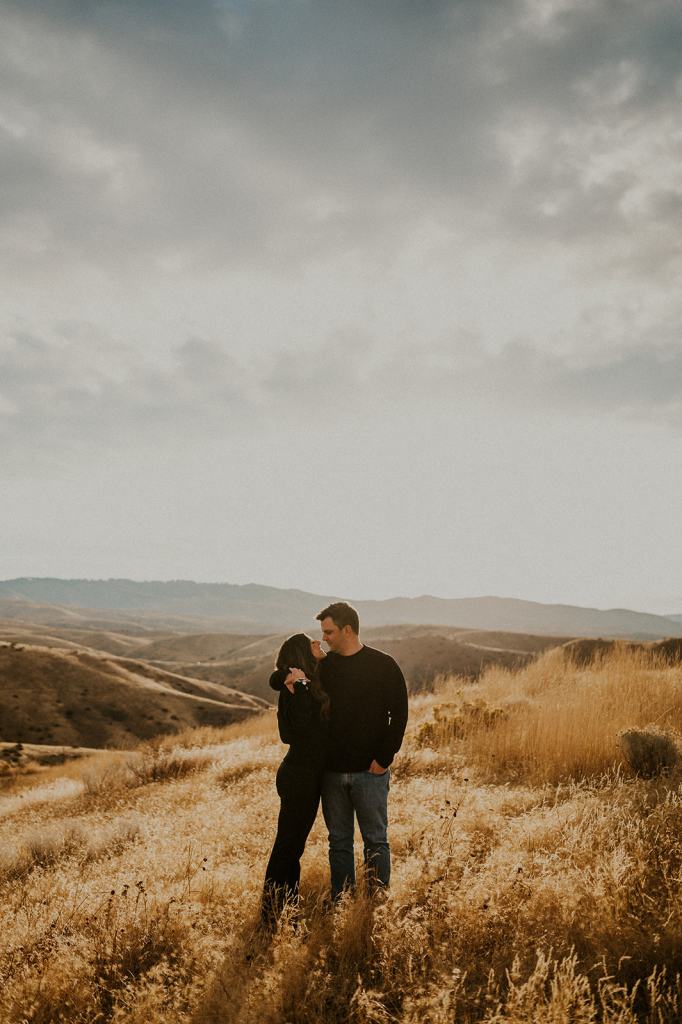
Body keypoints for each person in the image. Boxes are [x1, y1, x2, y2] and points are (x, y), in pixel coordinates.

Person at [287, 602, 408, 899]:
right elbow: (292, 688)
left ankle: (375, 901)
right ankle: (342, 901)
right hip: (331, 773)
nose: (324, 638)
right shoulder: (325, 668)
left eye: (328, 632)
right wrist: (297, 678)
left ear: (347, 630)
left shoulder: (383, 664)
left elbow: (400, 714)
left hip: (371, 771)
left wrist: (384, 758)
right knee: (338, 842)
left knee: (375, 841)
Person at [261, 632, 329, 925]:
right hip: (300, 775)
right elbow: (293, 733)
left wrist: (296, 680)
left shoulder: (301, 684)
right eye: (314, 643)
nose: (320, 644)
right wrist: (297, 684)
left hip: (304, 774)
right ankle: (269, 914)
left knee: (293, 846)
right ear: (303, 654)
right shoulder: (297, 688)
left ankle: (287, 907)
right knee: (287, 846)